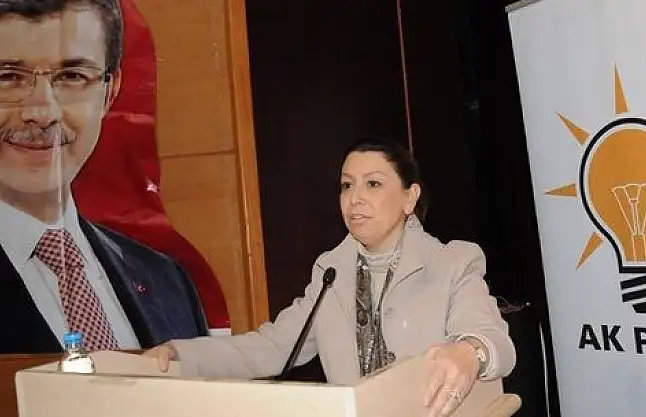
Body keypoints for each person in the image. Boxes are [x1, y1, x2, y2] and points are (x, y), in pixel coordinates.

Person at [146, 138, 516, 417]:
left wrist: (469, 353)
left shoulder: (453, 262)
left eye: (373, 184)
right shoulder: (330, 273)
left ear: (409, 197)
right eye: (346, 185)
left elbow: (495, 340)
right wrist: (183, 354)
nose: (355, 198)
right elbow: (271, 347)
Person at [0, 0, 208, 354]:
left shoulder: (168, 282)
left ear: (109, 93)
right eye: (8, 77)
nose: (42, 113)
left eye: (72, 76)